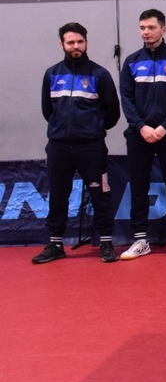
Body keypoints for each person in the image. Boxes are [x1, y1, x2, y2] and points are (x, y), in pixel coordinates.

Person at [33, 22, 121, 264]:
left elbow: (112, 113)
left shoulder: (100, 74)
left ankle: (106, 242)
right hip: (59, 147)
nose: (76, 46)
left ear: (86, 43)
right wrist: (62, 129)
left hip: (91, 147)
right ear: (61, 44)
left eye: (80, 42)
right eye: (70, 42)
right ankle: (55, 244)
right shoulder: (52, 74)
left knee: (100, 195)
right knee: (58, 195)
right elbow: (47, 110)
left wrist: (92, 129)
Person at [119, 9, 166, 260]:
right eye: (142, 28)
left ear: (163, 29)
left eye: (151, 27)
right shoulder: (131, 61)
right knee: (138, 187)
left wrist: (164, 127)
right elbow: (126, 99)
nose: (146, 32)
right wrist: (141, 126)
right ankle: (140, 239)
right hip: (139, 135)